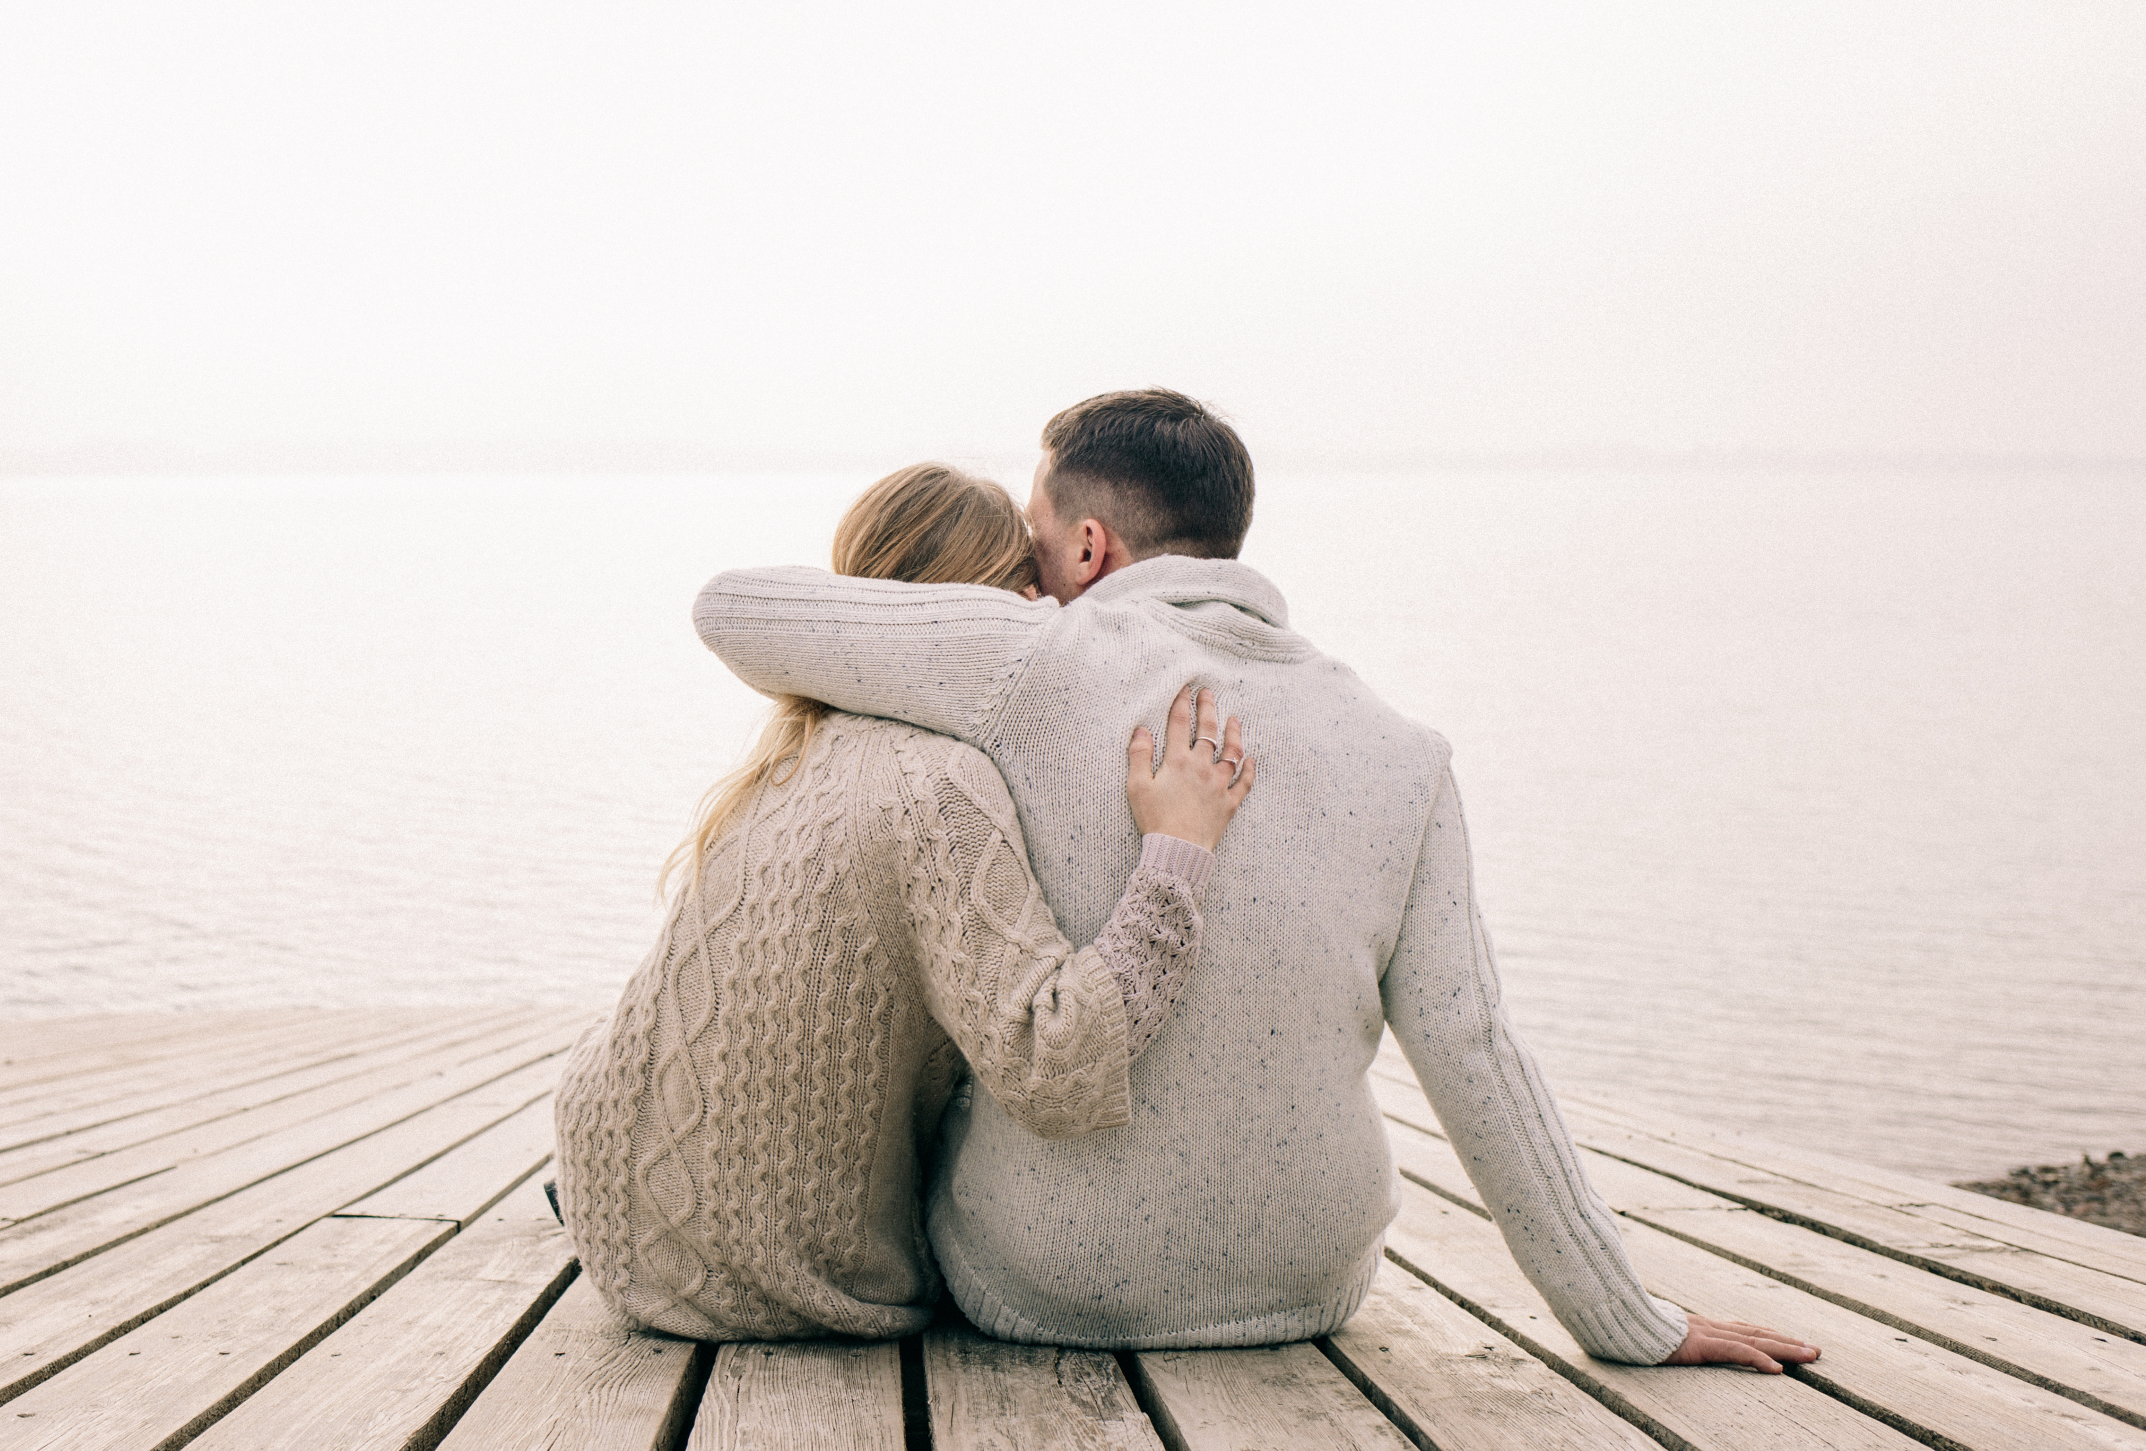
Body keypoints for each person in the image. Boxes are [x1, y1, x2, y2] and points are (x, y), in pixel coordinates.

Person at [691, 390, 1818, 1373]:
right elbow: (1473, 1047)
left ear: (1087, 547)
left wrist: (976, 616)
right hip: (1307, 1286)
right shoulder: (1405, 752)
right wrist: (1629, 1319)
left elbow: (732, 609)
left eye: (1034, 547)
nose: (1026, 583)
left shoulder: (1030, 663)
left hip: (1041, 1287)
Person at [553, 462, 1253, 1340]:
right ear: (981, 611)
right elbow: (1054, 1066)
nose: (1045, 613)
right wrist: (1176, 855)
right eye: (1026, 591)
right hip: (765, 1275)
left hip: (610, 1201)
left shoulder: (789, 752)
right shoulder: (941, 785)